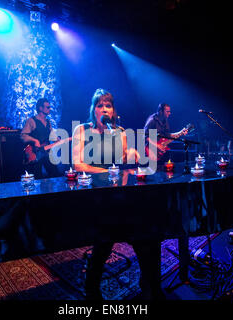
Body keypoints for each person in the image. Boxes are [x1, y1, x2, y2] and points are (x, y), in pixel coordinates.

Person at [72, 88, 163, 300]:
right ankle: (92, 288)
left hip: (118, 194)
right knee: (104, 240)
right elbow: (77, 164)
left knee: (143, 234)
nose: (104, 109)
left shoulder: (120, 131)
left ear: (113, 110)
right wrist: (108, 171)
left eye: (108, 105)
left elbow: (126, 158)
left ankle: (149, 284)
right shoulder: (82, 131)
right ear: (94, 109)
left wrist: (132, 153)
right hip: (94, 193)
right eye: (100, 105)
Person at [20, 98, 60, 179]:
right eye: (47, 107)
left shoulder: (48, 122)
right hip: (35, 153)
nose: (50, 109)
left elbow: (51, 135)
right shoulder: (31, 121)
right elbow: (22, 136)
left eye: (50, 107)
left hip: (46, 152)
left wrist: (57, 139)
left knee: (55, 174)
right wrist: (35, 140)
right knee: (37, 176)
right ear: (40, 108)